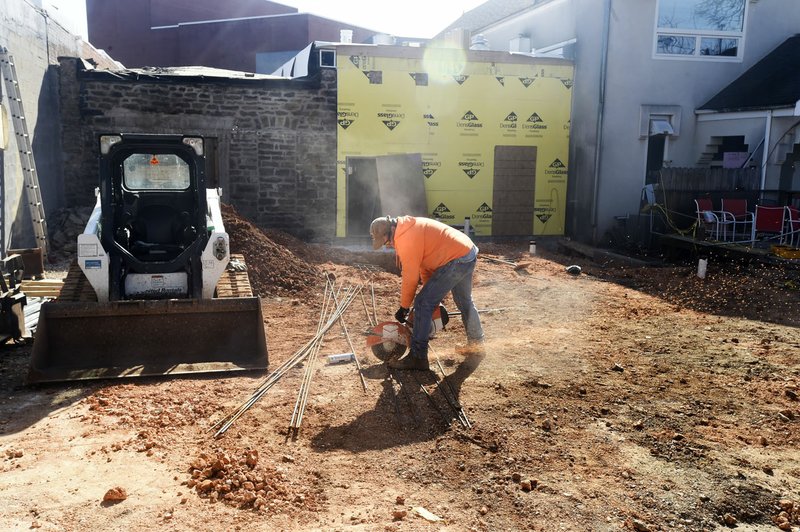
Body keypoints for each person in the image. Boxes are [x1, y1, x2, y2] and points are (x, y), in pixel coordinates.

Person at [370, 215, 485, 370]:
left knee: (422, 303)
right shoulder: (407, 228)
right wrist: (432, 298)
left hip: (456, 258)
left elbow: (410, 277)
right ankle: (477, 346)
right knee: (463, 302)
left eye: (387, 242)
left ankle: (418, 357)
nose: (389, 245)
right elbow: (425, 267)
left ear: (390, 231)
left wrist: (404, 307)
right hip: (466, 252)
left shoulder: (406, 238)